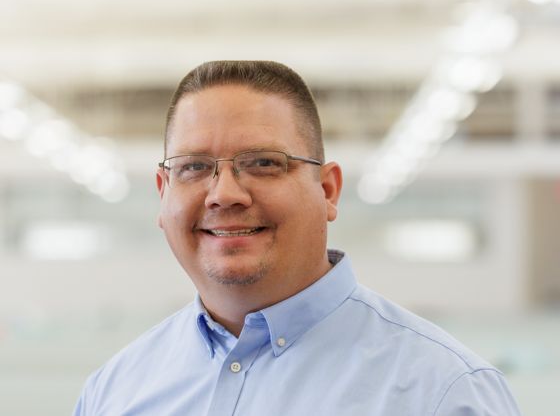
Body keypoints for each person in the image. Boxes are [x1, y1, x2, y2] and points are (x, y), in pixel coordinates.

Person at [73, 61, 521, 415]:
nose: (224, 194)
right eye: (193, 166)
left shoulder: (444, 393)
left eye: (264, 163)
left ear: (327, 190)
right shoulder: (114, 391)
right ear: (163, 192)